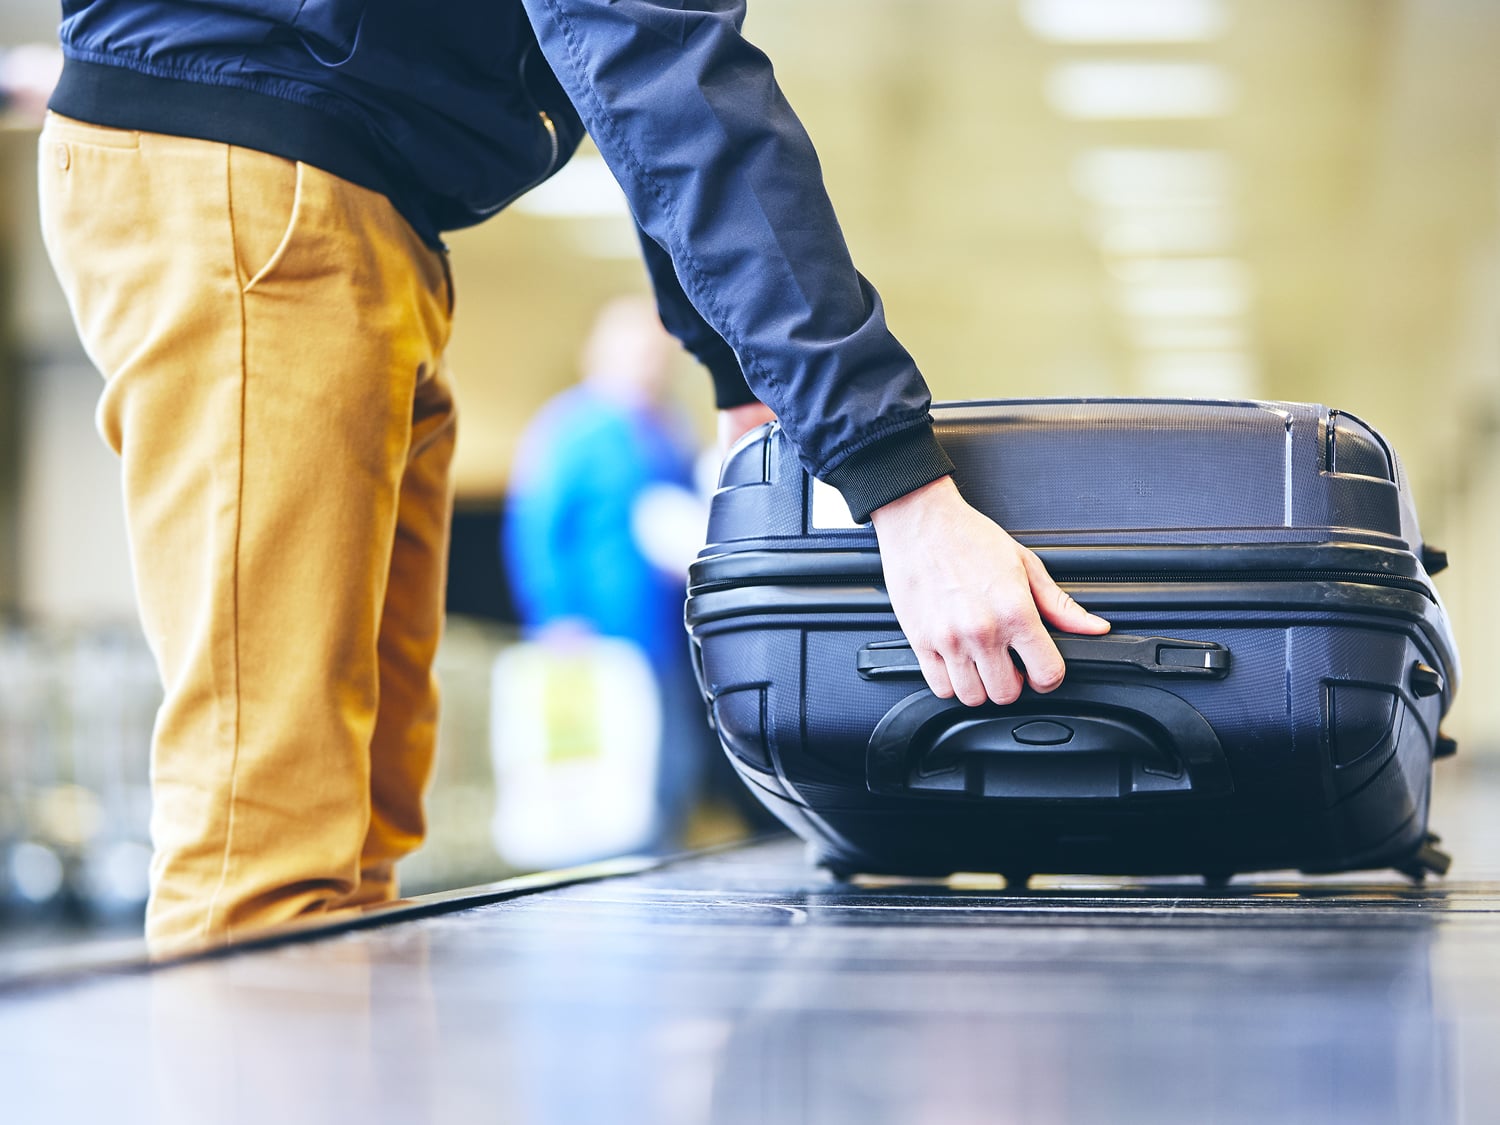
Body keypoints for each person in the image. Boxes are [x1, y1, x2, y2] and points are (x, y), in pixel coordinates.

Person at [38, 0, 1110, 951]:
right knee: (269, 862)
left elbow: (638, 78)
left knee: (355, 845)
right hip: (256, 159)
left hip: (354, 191)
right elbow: (656, 62)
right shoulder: (586, 440)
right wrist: (903, 492)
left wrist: (740, 371)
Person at [502, 296, 722, 852]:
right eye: (638, 350)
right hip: (595, 641)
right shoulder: (571, 428)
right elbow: (537, 526)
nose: (651, 363)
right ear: (597, 352)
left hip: (666, 639)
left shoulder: (667, 429)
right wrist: (555, 616)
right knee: (606, 787)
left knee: (669, 770)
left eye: (658, 353)